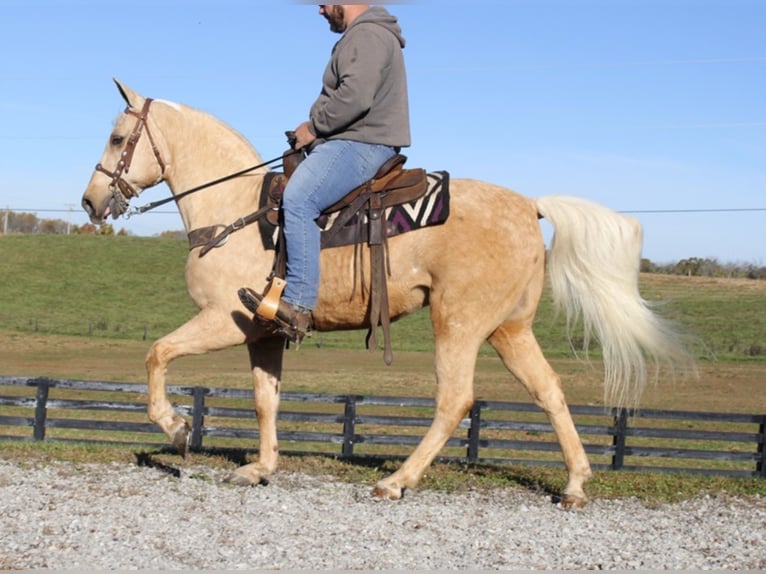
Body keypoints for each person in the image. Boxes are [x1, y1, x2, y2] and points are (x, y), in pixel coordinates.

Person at [239, 4, 411, 343]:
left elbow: (355, 97)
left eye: (322, 2)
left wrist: (314, 128)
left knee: (299, 197)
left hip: (362, 142)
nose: (319, 10)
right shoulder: (368, 34)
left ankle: (298, 305)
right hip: (356, 139)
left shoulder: (367, 34)